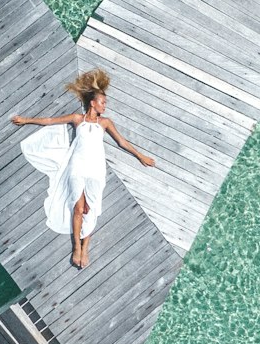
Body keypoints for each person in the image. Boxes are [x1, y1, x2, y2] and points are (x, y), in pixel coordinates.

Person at [11, 68, 156, 269]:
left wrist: (141, 156)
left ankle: (86, 248)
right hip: (77, 168)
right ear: (92, 103)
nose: (105, 106)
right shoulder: (77, 119)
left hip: (96, 170)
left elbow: (121, 141)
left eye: (105, 103)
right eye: (102, 102)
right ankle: (77, 249)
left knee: (92, 209)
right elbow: (50, 121)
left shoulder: (105, 123)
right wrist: (27, 120)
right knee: (79, 208)